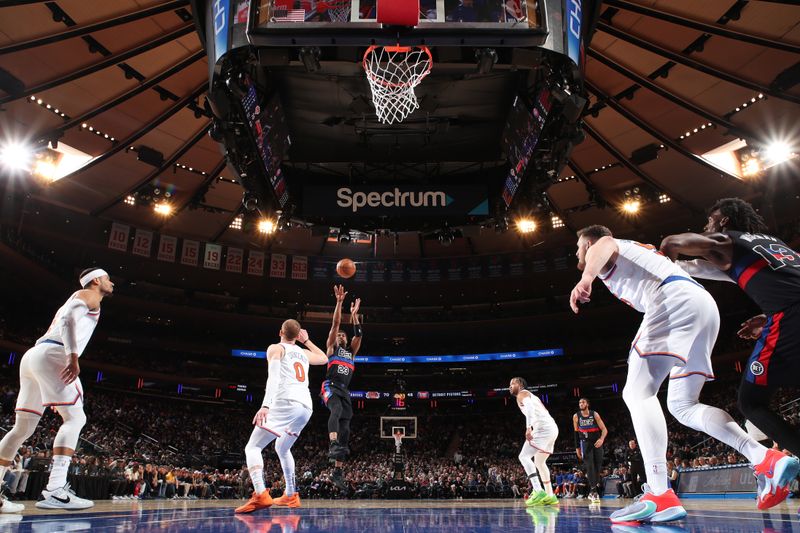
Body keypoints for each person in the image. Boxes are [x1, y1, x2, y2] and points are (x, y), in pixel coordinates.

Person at [569, 225, 792, 523]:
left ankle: (659, 492)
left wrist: (586, 279)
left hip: (673, 300)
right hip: (701, 305)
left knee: (636, 393)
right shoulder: (635, 256)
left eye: (579, 247)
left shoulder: (608, 245)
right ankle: (765, 458)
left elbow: (605, 242)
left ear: (589, 243)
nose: (577, 253)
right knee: (683, 406)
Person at [660, 198, 800, 493]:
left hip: (789, 317)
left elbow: (674, 241)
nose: (706, 226)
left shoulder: (727, 239)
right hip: (787, 312)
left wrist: (665, 254)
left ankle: (778, 459)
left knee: (750, 402)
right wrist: (765, 317)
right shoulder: (771, 241)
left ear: (723, 220)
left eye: (710, 221)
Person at [0, 268, 114, 512]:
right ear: (96, 280)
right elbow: (67, 319)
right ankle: (55, 489)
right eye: (107, 278)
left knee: (22, 428)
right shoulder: (89, 294)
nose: (111, 282)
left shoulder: (79, 297)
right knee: (75, 417)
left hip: (34, 356)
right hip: (55, 353)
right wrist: (72, 355)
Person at [235, 319, 328, 513]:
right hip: (305, 406)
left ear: (280, 332)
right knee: (282, 447)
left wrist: (266, 405)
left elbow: (274, 378)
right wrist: (307, 340)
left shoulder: (276, 348)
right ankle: (291, 494)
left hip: (286, 401)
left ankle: (260, 494)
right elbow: (324, 358)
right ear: (297, 336)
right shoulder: (303, 352)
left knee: (253, 447)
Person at [321, 285, 362, 490]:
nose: (341, 336)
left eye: (344, 336)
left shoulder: (351, 353)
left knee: (346, 427)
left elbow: (360, 335)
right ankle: (332, 443)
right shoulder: (332, 348)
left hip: (345, 391)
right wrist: (339, 303)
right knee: (335, 410)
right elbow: (336, 323)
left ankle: (337, 470)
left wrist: (355, 316)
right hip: (330, 386)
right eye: (339, 335)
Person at [509, 377, 558, 506]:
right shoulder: (529, 395)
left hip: (542, 428)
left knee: (523, 456)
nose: (510, 386)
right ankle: (550, 495)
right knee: (539, 462)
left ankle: (538, 490)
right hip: (552, 428)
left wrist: (528, 427)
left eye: (512, 383)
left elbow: (530, 408)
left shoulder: (522, 393)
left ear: (520, 385)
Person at [573, 397, 607, 503]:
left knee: (597, 466)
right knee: (590, 466)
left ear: (587, 404)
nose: (580, 404)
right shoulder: (576, 416)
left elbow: (604, 429)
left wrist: (601, 439)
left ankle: (592, 491)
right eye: (579, 402)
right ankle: (594, 491)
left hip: (597, 442)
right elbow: (575, 433)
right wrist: (577, 447)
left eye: (583, 402)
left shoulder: (594, 414)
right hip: (585, 443)